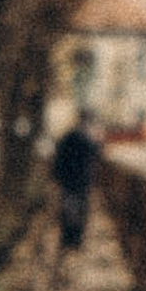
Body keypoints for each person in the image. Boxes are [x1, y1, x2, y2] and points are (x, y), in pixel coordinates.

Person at [50, 108, 99, 254]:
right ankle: (76, 240)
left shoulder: (67, 136)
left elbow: (58, 158)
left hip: (68, 180)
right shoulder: (87, 138)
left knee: (68, 208)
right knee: (80, 209)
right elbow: (96, 153)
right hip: (81, 180)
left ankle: (67, 239)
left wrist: (56, 177)